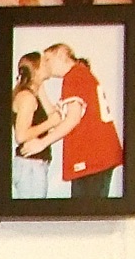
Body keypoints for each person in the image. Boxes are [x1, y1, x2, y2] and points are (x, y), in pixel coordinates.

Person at [42, 43, 125, 200]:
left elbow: (72, 119)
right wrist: (39, 88)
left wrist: (42, 143)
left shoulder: (74, 77)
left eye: (47, 59)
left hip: (93, 157)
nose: (45, 64)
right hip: (97, 157)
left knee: (87, 209)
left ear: (61, 54)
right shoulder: (80, 74)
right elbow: (59, 118)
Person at [11, 53, 65, 199]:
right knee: (31, 211)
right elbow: (21, 136)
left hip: (35, 165)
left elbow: (53, 115)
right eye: (44, 63)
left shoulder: (35, 92)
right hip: (30, 166)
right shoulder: (27, 97)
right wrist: (49, 123)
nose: (48, 65)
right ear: (35, 70)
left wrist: (40, 88)